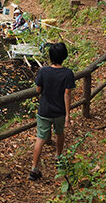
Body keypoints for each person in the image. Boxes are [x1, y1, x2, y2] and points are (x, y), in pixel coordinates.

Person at [29, 42, 75, 181]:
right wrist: (68, 115)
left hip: (44, 110)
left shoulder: (43, 71)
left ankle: (34, 169)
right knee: (59, 133)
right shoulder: (68, 73)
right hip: (59, 111)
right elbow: (67, 95)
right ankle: (58, 156)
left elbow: (38, 89)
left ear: (50, 56)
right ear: (64, 56)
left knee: (40, 138)